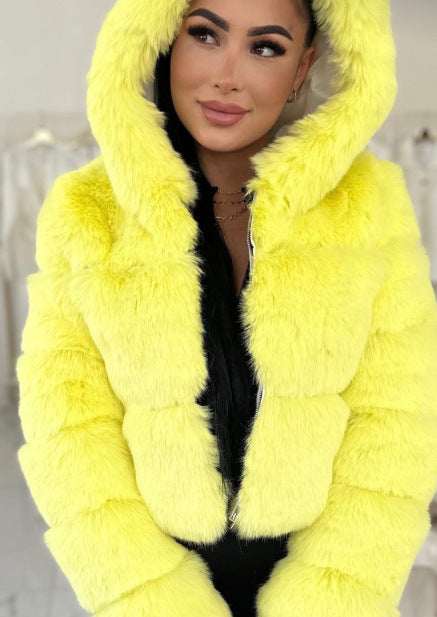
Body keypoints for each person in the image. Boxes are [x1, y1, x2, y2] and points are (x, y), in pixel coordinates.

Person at [15, 0, 437, 617]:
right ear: (162, 38)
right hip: (153, 586)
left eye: (265, 47)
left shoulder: (369, 203)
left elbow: (397, 418)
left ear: (303, 67)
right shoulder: (87, 211)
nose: (227, 77)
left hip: (328, 583)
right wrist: (149, 596)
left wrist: (335, 592)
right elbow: (69, 428)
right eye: (206, 35)